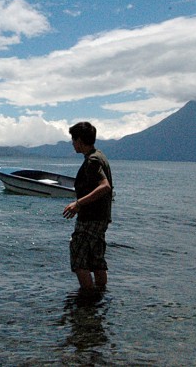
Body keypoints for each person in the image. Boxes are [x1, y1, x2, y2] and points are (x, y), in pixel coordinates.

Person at [62, 122, 113, 291]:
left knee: (79, 261)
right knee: (96, 260)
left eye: (73, 139)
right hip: (100, 219)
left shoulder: (92, 161)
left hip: (90, 219)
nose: (72, 143)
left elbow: (105, 186)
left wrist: (78, 204)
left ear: (80, 140)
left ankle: (87, 301)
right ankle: (100, 297)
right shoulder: (100, 156)